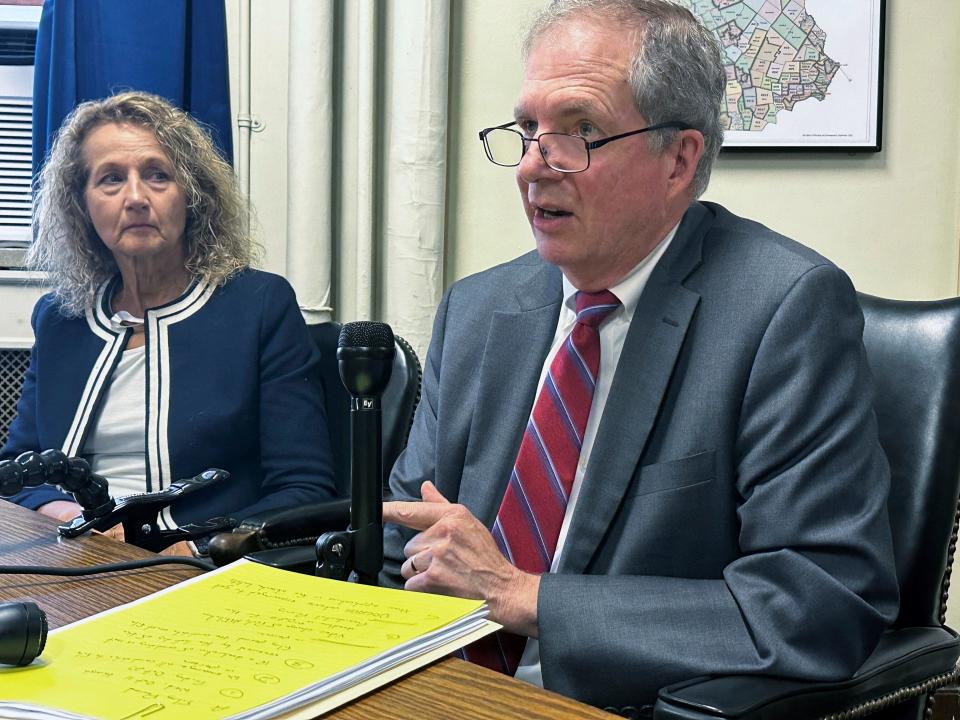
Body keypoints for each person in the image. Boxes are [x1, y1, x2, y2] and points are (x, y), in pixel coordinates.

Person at [380, 0, 898, 713]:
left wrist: (523, 596)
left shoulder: (783, 310)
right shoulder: (477, 310)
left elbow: (816, 603)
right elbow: (399, 547)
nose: (534, 165)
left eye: (580, 131)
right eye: (529, 129)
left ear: (679, 159)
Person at [2, 92, 336, 556]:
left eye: (158, 175)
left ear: (192, 195)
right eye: (111, 179)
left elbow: (305, 487)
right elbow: (15, 470)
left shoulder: (258, 305)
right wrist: (66, 517)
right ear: (82, 206)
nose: (136, 197)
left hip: (194, 566)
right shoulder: (60, 320)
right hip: (70, 554)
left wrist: (202, 547)